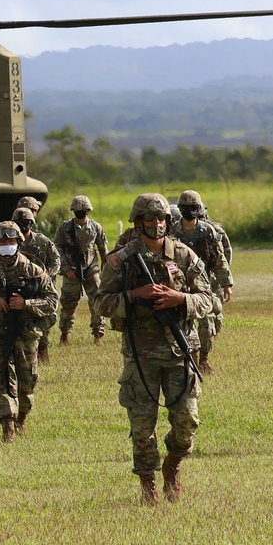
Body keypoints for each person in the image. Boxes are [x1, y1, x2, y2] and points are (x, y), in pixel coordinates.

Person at [94, 193, 212, 506]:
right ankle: (148, 486)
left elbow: (209, 300)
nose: (156, 223)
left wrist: (181, 300)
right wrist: (134, 295)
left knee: (187, 420)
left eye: (161, 218)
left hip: (178, 352)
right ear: (137, 221)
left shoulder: (184, 255)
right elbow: (100, 303)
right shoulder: (121, 260)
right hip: (140, 353)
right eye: (149, 218)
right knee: (142, 427)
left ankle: (172, 465)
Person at [0, 221, 58, 442]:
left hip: (27, 335)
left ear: (18, 243)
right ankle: (8, 425)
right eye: (2, 242)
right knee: (1, 380)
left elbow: (52, 301)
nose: (7, 246)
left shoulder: (33, 271)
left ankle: (21, 416)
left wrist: (26, 304)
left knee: (27, 382)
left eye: (11, 241)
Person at [171, 189, 233, 374]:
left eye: (193, 208)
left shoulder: (208, 231)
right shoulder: (172, 230)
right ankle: (189, 358)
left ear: (199, 209)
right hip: (179, 285)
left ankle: (204, 359)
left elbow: (219, 258)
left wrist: (226, 283)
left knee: (207, 324)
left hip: (203, 284)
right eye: (186, 208)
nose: (189, 211)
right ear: (180, 209)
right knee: (183, 323)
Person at [55, 194, 109, 344]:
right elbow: (57, 248)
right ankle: (65, 334)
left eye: (84, 210)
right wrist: (66, 269)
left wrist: (106, 270)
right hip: (71, 270)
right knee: (68, 304)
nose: (81, 213)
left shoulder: (96, 227)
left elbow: (103, 249)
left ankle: (98, 335)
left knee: (97, 301)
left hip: (91, 269)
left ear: (88, 211)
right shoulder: (65, 228)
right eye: (78, 211)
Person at [13, 206, 60, 363]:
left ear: (32, 223)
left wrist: (47, 276)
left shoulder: (42, 241)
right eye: (19, 222)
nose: (23, 225)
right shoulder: (11, 242)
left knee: (44, 320)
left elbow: (56, 259)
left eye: (26, 222)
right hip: (20, 290)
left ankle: (43, 352)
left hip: (40, 289)